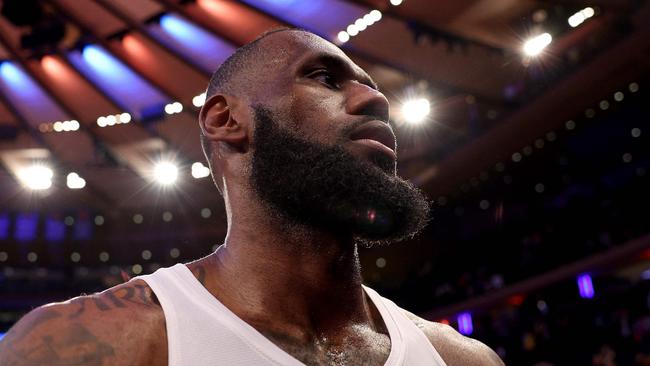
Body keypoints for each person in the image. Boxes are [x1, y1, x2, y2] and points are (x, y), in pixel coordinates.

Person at [0, 28, 504, 366]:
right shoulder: (82, 345)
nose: (377, 100)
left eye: (372, 88)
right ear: (225, 120)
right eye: (325, 78)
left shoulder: (462, 359)